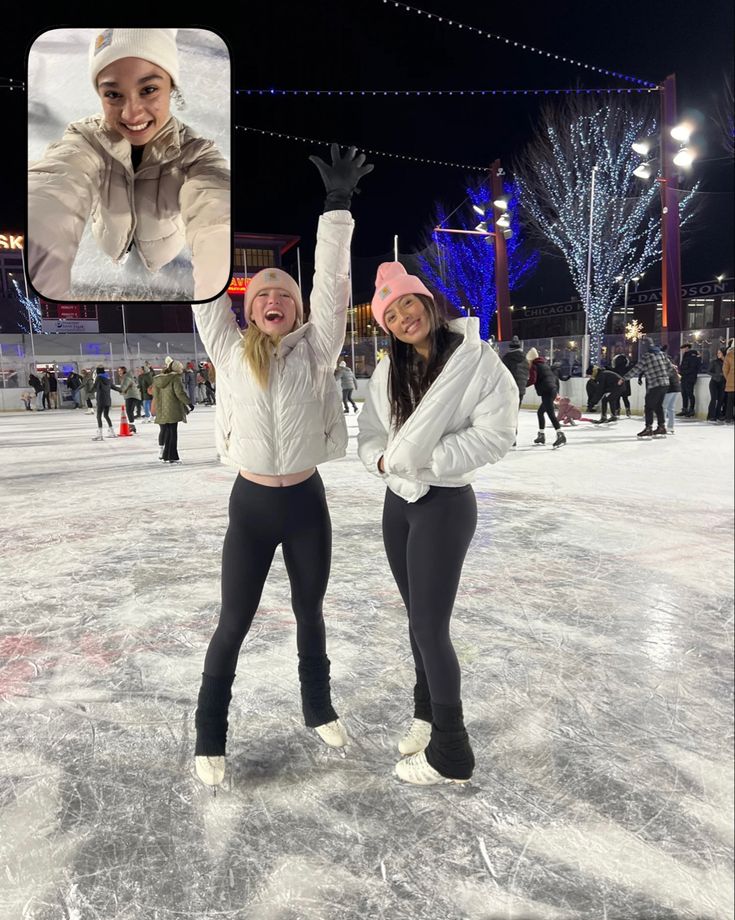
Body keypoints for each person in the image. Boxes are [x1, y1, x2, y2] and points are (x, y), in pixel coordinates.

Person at [189, 144, 372, 789]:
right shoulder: (228, 352)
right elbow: (202, 290)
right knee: (233, 621)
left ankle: (317, 707)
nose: (273, 300)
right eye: (263, 293)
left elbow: (334, 285)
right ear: (247, 308)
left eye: (283, 295)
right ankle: (209, 733)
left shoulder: (317, 351)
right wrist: (202, 217)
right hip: (252, 506)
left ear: (296, 310)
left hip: (304, 505)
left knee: (309, 611)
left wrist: (338, 208)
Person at [357, 263, 516, 786]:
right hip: (397, 502)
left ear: (427, 303)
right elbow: (372, 433)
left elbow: (495, 435)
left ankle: (452, 750)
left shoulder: (476, 361)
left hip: (444, 502)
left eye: (409, 304)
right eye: (391, 313)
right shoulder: (388, 369)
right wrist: (383, 462)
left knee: (430, 626)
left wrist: (427, 460)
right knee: (415, 620)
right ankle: (426, 716)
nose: (403, 317)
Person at [28, 29, 230, 302]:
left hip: (162, 249)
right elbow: (56, 180)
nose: (131, 113)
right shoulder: (85, 139)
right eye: (113, 94)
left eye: (148, 90)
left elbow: (215, 204)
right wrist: (39, 236)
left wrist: (217, 253)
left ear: (171, 86)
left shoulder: (195, 151)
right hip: (112, 242)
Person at [623, 337, 670, 438]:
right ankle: (661, 427)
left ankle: (648, 428)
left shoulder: (647, 357)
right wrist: (664, 376)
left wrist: (623, 379)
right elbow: (670, 367)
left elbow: (636, 369)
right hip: (665, 384)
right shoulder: (662, 354)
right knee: (658, 406)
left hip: (655, 384)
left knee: (649, 407)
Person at [152, 359, 191, 462]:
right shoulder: (175, 378)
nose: (182, 369)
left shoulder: (157, 379)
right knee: (173, 433)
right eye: (181, 367)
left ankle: (166, 456)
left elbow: (155, 395)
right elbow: (179, 393)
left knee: (168, 432)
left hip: (162, 409)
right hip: (172, 409)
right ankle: (173, 457)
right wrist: (189, 403)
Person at [526, 348, 566, 448]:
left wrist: (522, 385)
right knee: (540, 412)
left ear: (530, 359)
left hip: (547, 391)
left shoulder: (534, 366)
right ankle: (541, 435)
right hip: (552, 390)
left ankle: (561, 435)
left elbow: (532, 379)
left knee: (550, 414)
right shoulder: (544, 364)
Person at [501, 335, 529, 446]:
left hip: (509, 389)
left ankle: (508, 437)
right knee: (514, 413)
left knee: (507, 414)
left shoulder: (507, 358)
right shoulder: (525, 359)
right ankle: (513, 438)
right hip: (521, 390)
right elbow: (527, 375)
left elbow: (502, 373)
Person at [92, 366, 117, 439]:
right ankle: (112, 431)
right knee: (106, 415)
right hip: (108, 400)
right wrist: (122, 390)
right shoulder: (108, 378)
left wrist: (89, 390)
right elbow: (113, 387)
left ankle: (100, 434)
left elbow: (95, 387)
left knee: (98, 416)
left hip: (101, 399)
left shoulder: (98, 378)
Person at [677, 343, 701, 418]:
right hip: (684, 377)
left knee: (689, 393)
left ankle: (691, 410)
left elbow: (692, 368)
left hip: (690, 378)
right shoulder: (686, 356)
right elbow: (683, 366)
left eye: (683, 349)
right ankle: (685, 409)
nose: (682, 350)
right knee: (684, 393)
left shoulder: (692, 356)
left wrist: (682, 372)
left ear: (687, 348)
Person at [116, 366, 140, 433]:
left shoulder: (126, 377)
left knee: (129, 411)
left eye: (120, 370)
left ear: (124, 370)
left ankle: (132, 426)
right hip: (131, 395)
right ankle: (132, 426)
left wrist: (116, 389)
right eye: (118, 371)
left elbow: (123, 387)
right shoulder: (126, 377)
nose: (119, 372)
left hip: (131, 396)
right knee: (130, 411)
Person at [662, 353, 681, 435]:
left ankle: (661, 426)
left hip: (670, 389)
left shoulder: (666, 368)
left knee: (663, 407)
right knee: (671, 408)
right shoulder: (673, 368)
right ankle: (671, 427)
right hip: (677, 389)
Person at [707, 348, 726, 423]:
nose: (718, 354)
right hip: (714, 382)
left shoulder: (726, 362)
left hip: (723, 383)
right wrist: (717, 375)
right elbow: (708, 371)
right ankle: (711, 416)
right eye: (718, 353)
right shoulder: (714, 362)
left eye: (720, 353)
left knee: (721, 399)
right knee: (714, 399)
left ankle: (718, 415)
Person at [611, 353, 632, 417]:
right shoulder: (627, 368)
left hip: (618, 385)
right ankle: (628, 410)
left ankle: (617, 410)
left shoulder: (615, 369)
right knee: (625, 398)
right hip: (626, 385)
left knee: (617, 398)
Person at [724, 341, 735, 424]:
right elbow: (725, 369)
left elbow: (725, 370)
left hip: (731, 381)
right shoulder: (729, 355)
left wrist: (728, 378)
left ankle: (729, 418)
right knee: (730, 401)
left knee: (730, 401)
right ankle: (729, 418)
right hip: (731, 382)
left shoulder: (729, 355)